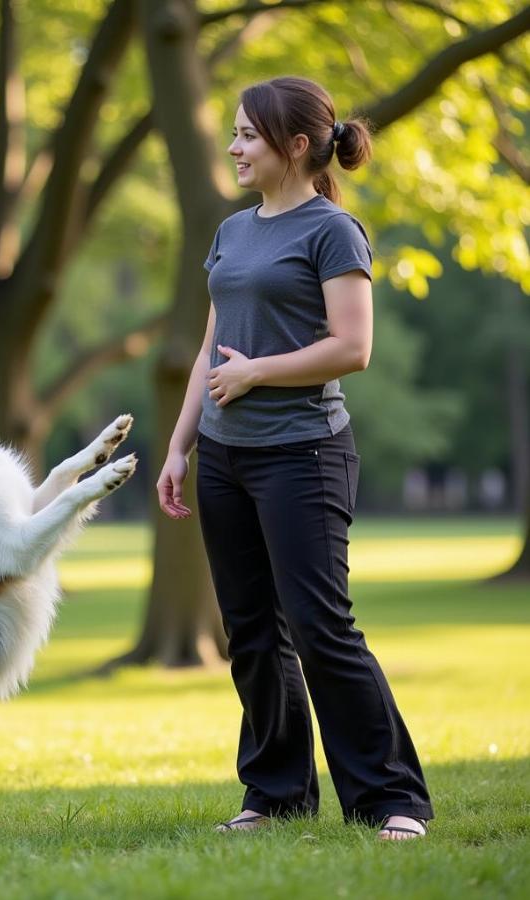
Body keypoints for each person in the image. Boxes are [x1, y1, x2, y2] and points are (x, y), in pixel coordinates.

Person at [156, 76, 433, 840]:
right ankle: (275, 794)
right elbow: (212, 346)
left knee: (321, 628)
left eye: (248, 135)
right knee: (251, 630)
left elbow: (354, 346)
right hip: (223, 455)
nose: (236, 147)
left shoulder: (332, 231)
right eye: (235, 134)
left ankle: (392, 799)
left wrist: (255, 373)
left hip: (303, 453)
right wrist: (180, 445)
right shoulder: (233, 231)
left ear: (298, 146)